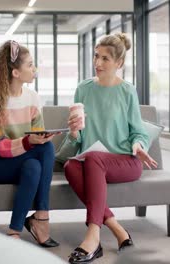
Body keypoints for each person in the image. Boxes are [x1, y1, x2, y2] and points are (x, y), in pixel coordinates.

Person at [64, 33, 158, 263]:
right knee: (70, 166)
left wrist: (138, 145)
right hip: (93, 161)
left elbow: (138, 131)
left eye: (105, 59)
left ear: (119, 63)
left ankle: (93, 236)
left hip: (125, 161)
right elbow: (78, 137)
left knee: (93, 159)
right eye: (96, 56)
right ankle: (118, 230)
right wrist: (74, 132)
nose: (98, 63)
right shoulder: (83, 89)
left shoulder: (127, 91)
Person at [0, 40, 59, 247]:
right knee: (44, 150)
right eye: (29, 64)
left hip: (25, 160)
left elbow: (37, 136)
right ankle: (42, 218)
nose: (34, 69)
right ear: (15, 73)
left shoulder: (33, 98)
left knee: (35, 164)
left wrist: (40, 138)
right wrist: (29, 143)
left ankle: (14, 231)